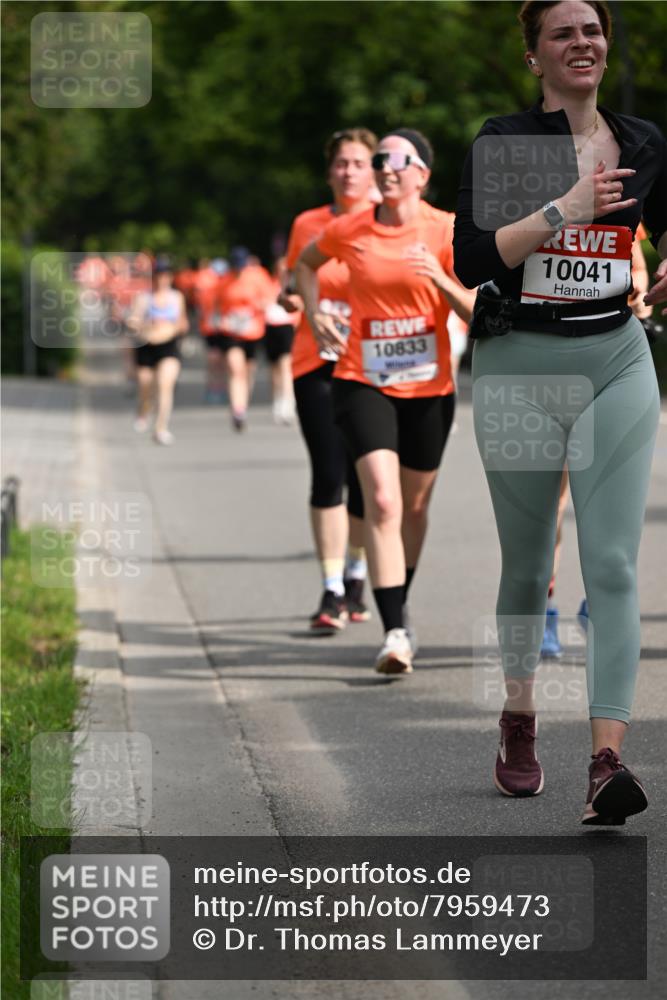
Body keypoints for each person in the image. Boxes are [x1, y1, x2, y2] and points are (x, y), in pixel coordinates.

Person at [454, 0, 666, 823]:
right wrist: (563, 210)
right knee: (526, 561)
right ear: (533, 57)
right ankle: (517, 715)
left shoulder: (643, 141)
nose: (582, 43)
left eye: (592, 30)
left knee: (611, 565)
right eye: (561, 33)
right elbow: (472, 258)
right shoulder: (503, 142)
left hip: (616, 356)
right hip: (518, 364)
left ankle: (606, 761)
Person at [297, 128, 475, 670]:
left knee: (414, 508)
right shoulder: (349, 227)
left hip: (429, 388)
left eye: (400, 159)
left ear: (422, 173)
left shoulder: (447, 230)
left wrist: (440, 282)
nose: (386, 167)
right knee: (383, 500)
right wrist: (315, 311)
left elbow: (479, 314)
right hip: (362, 379)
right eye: (380, 160)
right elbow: (305, 264)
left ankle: (399, 600)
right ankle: (395, 629)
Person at [540, 224, 657, 658]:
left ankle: (597, 603)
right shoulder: (539, 189)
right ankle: (545, 611)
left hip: (613, 363)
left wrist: (639, 290)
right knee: (554, 500)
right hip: (554, 360)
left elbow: (637, 263)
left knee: (608, 500)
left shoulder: (626, 189)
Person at [283, 128, 378, 634]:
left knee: (367, 482)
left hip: (372, 364)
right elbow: (294, 281)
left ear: (374, 170)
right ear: (330, 172)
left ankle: (358, 572)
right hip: (315, 360)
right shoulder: (308, 224)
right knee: (328, 472)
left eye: (358, 163)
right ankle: (331, 587)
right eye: (341, 163)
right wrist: (294, 301)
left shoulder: (387, 223)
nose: (349, 171)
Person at [126, 259, 188, 445]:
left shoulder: (177, 297)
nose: (162, 279)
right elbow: (133, 321)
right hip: (147, 344)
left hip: (169, 346)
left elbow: (182, 323)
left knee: (165, 384)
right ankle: (144, 409)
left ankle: (161, 428)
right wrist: (142, 324)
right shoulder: (144, 297)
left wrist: (175, 328)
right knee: (145, 384)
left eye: (166, 276)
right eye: (159, 276)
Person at [215, 246, 273, 431]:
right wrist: (221, 321)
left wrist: (256, 306)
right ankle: (237, 409)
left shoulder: (258, 277)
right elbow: (216, 306)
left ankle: (243, 405)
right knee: (235, 368)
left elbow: (269, 300)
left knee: (248, 370)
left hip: (253, 330)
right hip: (231, 332)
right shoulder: (223, 281)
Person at [264, 257, 298, 425]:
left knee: (286, 365)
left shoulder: (294, 287)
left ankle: (288, 403)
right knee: (274, 369)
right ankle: (277, 400)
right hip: (270, 329)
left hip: (287, 328)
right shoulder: (269, 285)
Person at [192, 258, 226, 403]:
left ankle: (221, 387)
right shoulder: (205, 280)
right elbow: (199, 302)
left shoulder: (226, 282)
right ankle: (212, 387)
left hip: (225, 327)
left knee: (223, 360)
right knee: (213, 359)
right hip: (210, 327)